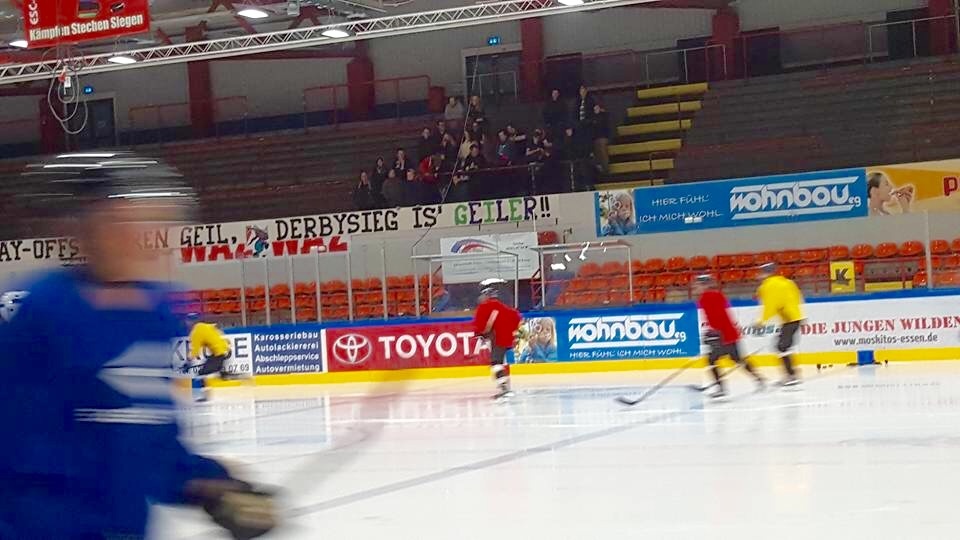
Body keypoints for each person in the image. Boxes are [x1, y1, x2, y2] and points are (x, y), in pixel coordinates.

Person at [0, 152, 275, 538]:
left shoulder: (158, 315)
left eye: (138, 221)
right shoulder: (41, 310)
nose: (131, 234)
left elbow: (155, 446)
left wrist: (215, 488)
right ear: (83, 231)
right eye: (113, 221)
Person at [694, 275, 765, 399]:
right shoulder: (718, 295)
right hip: (729, 333)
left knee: (712, 360)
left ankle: (720, 388)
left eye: (698, 284)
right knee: (738, 359)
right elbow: (722, 316)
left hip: (723, 335)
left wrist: (713, 333)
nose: (696, 287)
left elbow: (716, 318)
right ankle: (758, 378)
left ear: (703, 285)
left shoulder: (705, 299)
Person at [755, 262, 805, 386]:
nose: (758, 275)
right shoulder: (788, 282)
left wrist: (761, 321)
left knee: (781, 347)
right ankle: (790, 375)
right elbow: (799, 297)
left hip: (789, 320)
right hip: (794, 318)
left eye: (761, 273)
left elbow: (770, 305)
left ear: (766, 273)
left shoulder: (768, 286)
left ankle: (792, 376)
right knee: (781, 346)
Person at [472, 278, 523, 399]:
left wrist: (480, 334)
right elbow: (516, 317)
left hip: (497, 338)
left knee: (496, 362)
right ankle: (506, 386)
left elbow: (481, 325)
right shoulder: (503, 307)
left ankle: (504, 388)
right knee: (502, 361)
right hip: (506, 339)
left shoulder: (485, 307)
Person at [186, 311, 234, 402]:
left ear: (191, 322)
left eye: (188, 321)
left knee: (202, 373)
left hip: (218, 353)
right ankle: (242, 377)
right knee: (222, 376)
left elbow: (194, 351)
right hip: (222, 351)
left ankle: (206, 397)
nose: (187, 323)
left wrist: (188, 362)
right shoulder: (206, 326)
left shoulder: (196, 331)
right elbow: (219, 332)